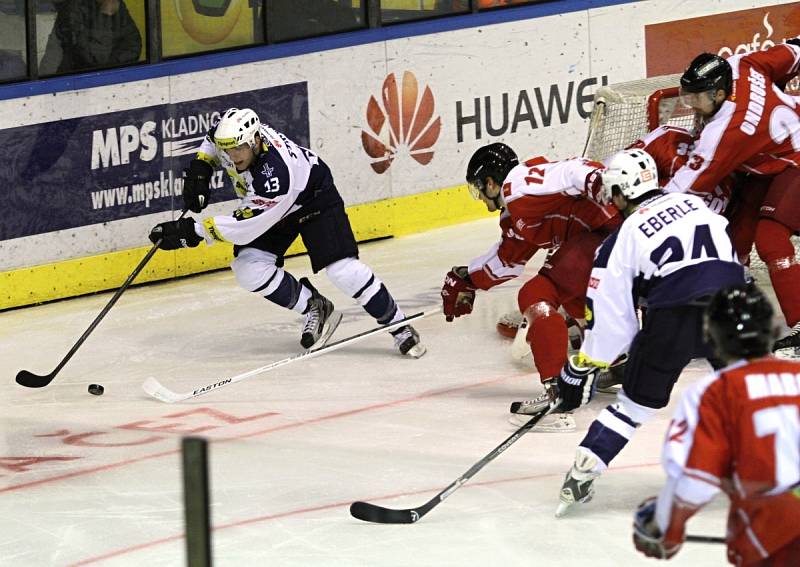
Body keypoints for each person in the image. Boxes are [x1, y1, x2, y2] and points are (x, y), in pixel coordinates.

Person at [549, 147, 745, 517]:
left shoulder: (623, 236)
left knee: (633, 407)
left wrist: (583, 365)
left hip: (674, 314)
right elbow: (728, 257)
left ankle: (583, 471)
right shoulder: (698, 207)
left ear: (620, 192)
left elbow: (611, 318)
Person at [148, 107, 425, 357]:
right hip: (273, 207)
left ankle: (398, 325)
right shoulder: (235, 133)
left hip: (313, 198)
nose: (233, 157)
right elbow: (212, 138)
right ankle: (315, 307)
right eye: (228, 150)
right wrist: (201, 167)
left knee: (342, 271)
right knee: (248, 268)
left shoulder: (275, 176)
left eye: (239, 150)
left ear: (256, 140)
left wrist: (192, 232)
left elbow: (243, 228)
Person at [440, 142, 620, 431]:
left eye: (478, 188)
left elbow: (574, 169)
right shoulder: (516, 210)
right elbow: (507, 261)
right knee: (573, 297)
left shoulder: (519, 184)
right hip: (600, 237)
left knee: (538, 292)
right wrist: (466, 279)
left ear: (490, 181)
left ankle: (558, 393)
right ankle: (617, 361)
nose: (481, 199)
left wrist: (605, 187)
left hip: (609, 232)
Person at [632, 283, 800, 566]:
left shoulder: (714, 392)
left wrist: (667, 525)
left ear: (714, 337)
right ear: (771, 331)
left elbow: (695, 478)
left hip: (775, 534)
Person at [664, 45, 800, 358]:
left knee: (771, 238)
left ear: (721, 93)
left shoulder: (725, 132)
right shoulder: (741, 64)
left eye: (698, 98)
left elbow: (680, 193)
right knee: (734, 236)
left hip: (794, 160)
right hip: (771, 164)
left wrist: (636, 216)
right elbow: (795, 51)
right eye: (690, 96)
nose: (693, 105)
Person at [43, 0, 141, 74]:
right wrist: (105, 15)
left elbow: (133, 44)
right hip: (74, 82)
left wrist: (115, 68)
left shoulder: (117, 7)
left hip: (110, 81)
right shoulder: (73, 9)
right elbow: (94, 58)